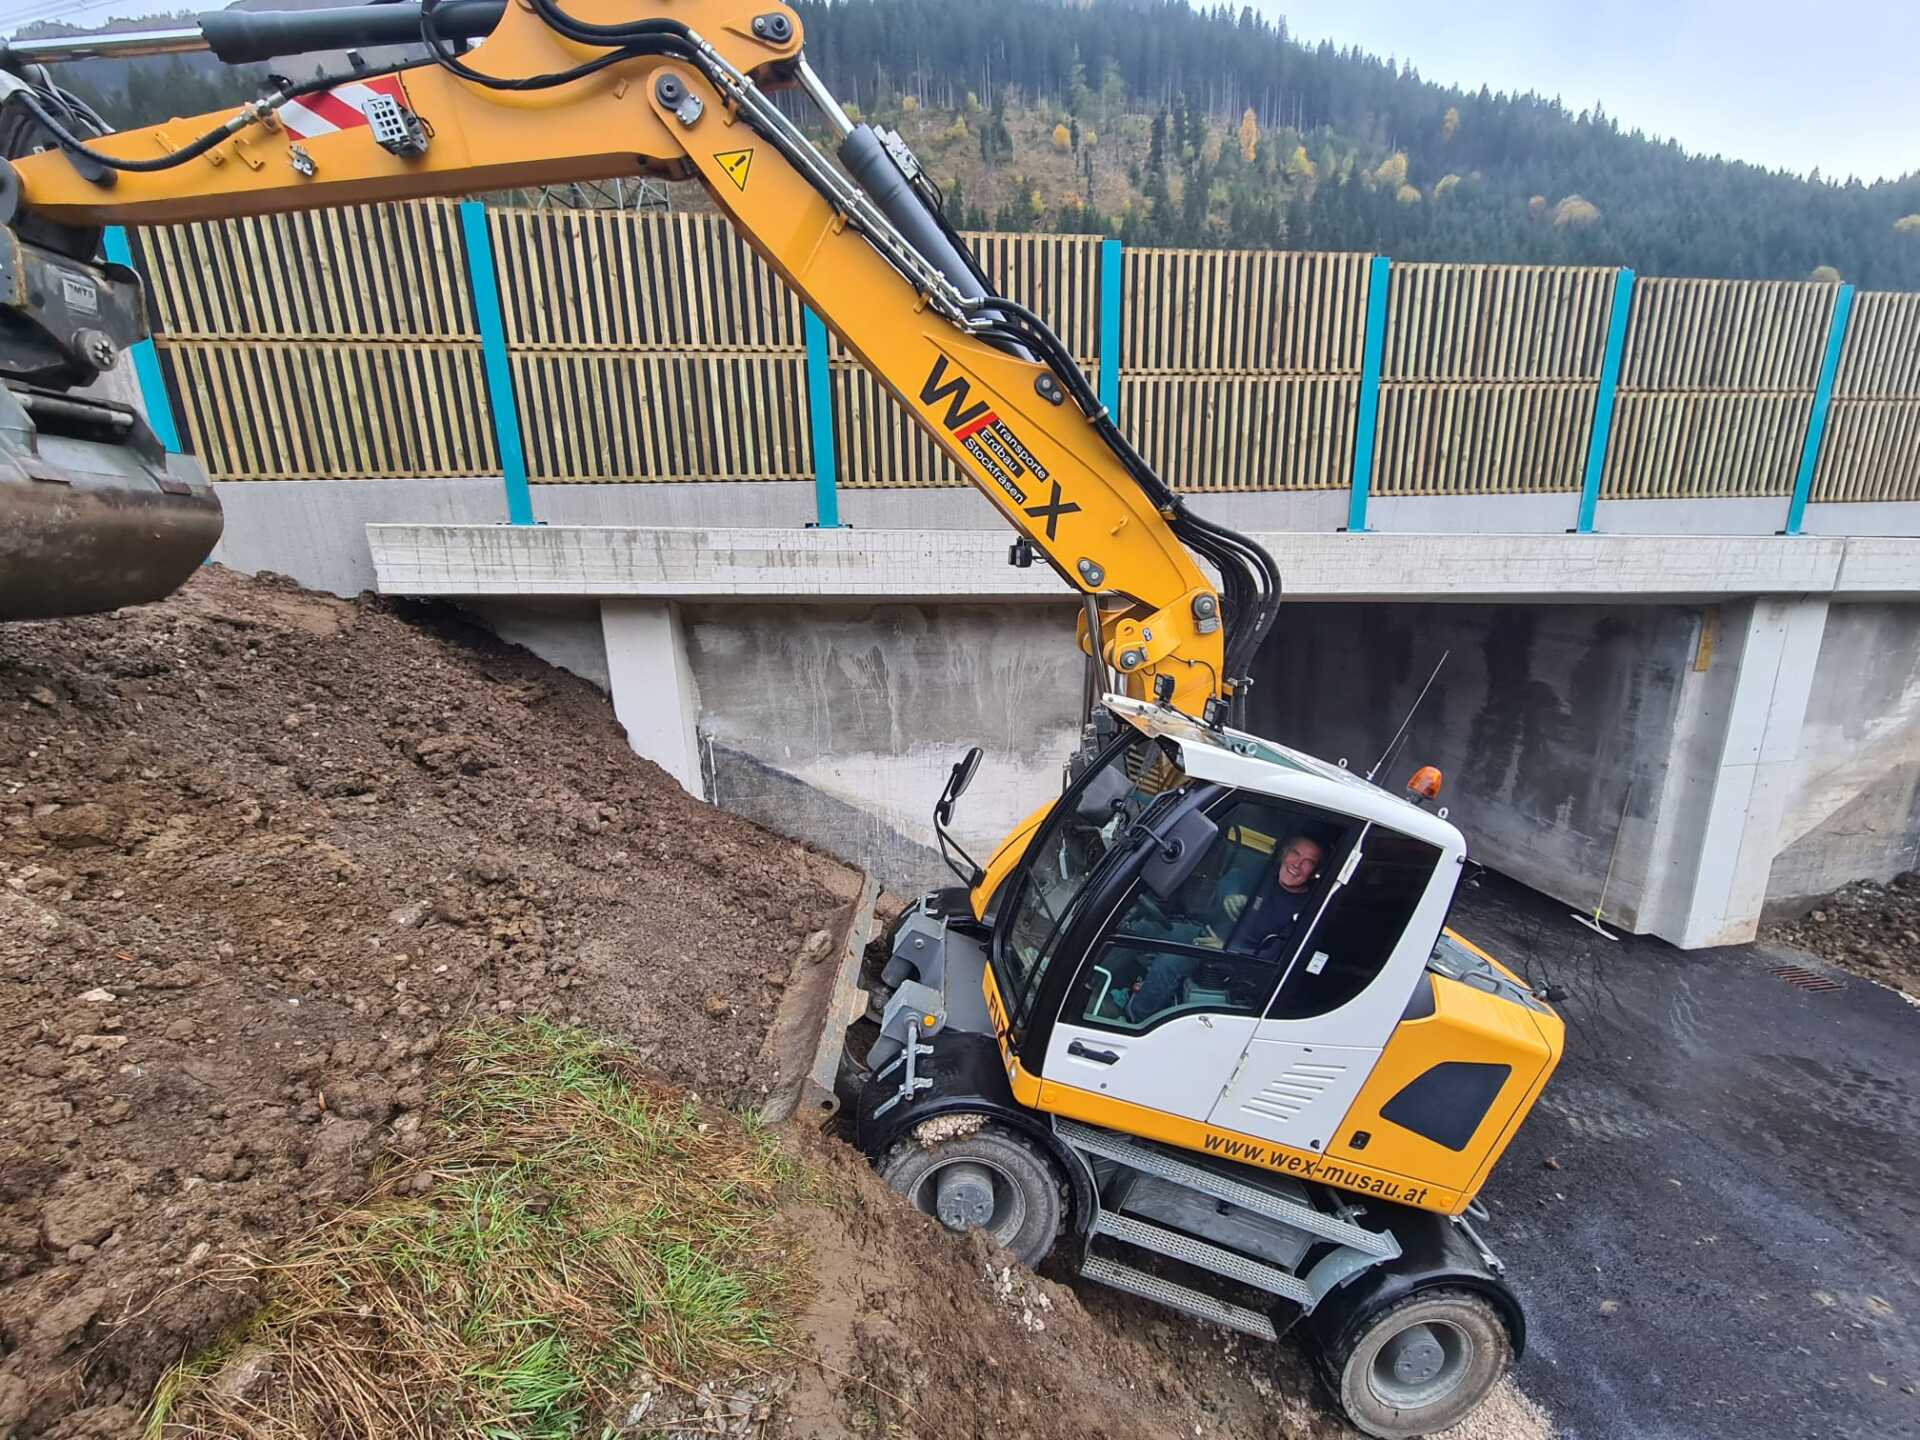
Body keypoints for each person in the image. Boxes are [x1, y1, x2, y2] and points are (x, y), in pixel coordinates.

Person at [1120, 832, 1326, 1024]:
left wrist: (1228, 949)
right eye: (1294, 853)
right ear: (1284, 853)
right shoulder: (1265, 872)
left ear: (1314, 872)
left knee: (1168, 963)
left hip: (1234, 961)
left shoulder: (1305, 908)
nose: (1297, 865)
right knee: (1141, 930)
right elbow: (1235, 876)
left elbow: (1275, 956)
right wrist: (1231, 894)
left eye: (1308, 862)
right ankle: (1101, 985)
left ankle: (1132, 1020)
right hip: (1207, 935)